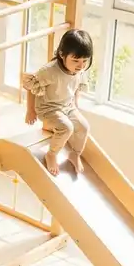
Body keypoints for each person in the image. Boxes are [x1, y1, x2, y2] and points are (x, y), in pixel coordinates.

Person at [23, 28, 93, 176]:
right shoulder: (49, 71)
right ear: (62, 55)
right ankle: (52, 154)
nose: (81, 66)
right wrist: (30, 110)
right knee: (66, 128)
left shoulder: (79, 70)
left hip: (67, 106)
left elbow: (76, 88)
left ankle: (75, 154)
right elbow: (30, 87)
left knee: (84, 126)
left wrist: (76, 106)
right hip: (48, 108)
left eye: (84, 61)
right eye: (75, 60)